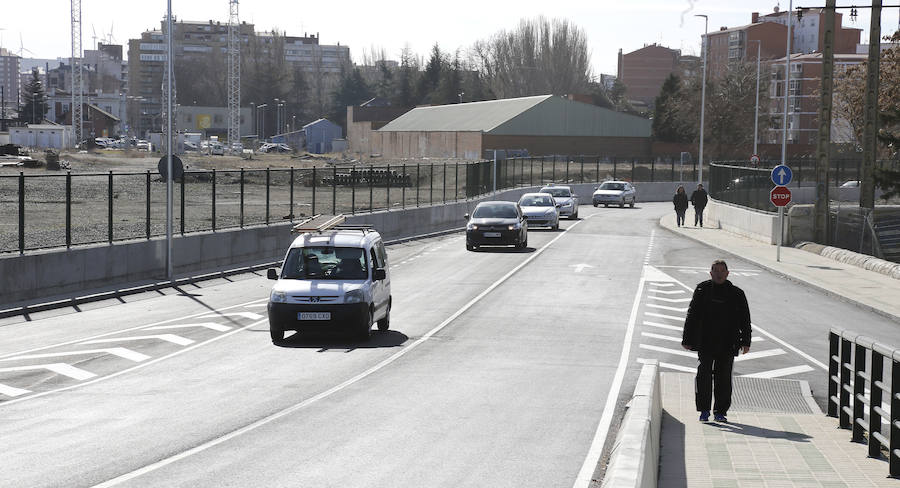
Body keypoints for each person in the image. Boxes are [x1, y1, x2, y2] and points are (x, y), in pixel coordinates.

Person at [681, 259, 751, 423]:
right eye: (715, 271)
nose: (719, 274)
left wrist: (746, 341)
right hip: (705, 341)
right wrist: (687, 338)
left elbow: (745, 319)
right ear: (710, 273)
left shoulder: (736, 293)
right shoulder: (702, 289)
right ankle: (704, 410)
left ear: (727, 273)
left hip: (727, 342)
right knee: (703, 376)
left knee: (724, 378)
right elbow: (692, 315)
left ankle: (720, 411)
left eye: (722, 271)